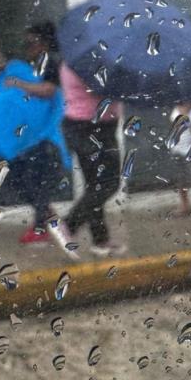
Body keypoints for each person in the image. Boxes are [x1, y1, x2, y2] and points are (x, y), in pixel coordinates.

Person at [0, 24, 76, 258]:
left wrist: (19, 85)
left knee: (34, 179)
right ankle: (46, 217)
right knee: (20, 178)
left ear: (43, 43)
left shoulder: (53, 63)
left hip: (43, 135)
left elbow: (48, 91)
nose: (28, 46)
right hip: (26, 137)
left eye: (31, 42)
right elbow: (3, 66)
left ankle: (42, 225)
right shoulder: (27, 65)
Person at [56, 63, 125, 257]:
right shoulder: (85, 62)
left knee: (95, 185)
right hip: (91, 127)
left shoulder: (77, 58)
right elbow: (103, 87)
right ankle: (69, 224)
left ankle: (100, 241)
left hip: (90, 125)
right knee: (109, 184)